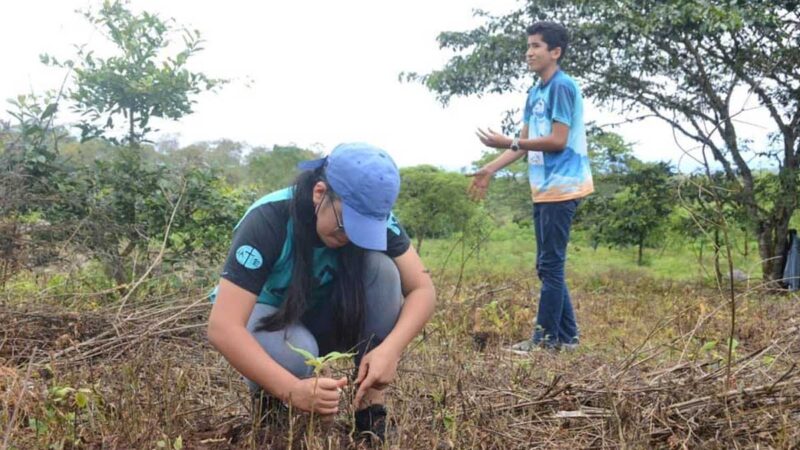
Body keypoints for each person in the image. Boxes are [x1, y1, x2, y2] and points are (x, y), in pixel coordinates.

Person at [207, 143, 436, 442]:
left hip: (326, 315)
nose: (351, 237)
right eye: (345, 225)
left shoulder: (376, 218)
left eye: (362, 229)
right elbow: (222, 327)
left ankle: (370, 412)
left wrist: (389, 349)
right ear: (319, 193)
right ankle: (273, 408)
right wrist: (292, 389)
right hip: (273, 322)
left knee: (383, 271)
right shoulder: (268, 219)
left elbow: (423, 289)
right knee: (296, 356)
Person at [469, 21, 593, 352]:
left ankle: (545, 340)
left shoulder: (562, 87)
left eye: (536, 46)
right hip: (543, 188)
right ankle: (567, 338)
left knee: (551, 266)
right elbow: (523, 144)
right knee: (546, 265)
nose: (529, 52)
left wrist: (507, 141)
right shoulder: (535, 91)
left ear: (556, 52)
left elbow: (557, 140)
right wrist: (490, 169)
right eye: (528, 46)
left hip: (563, 187)